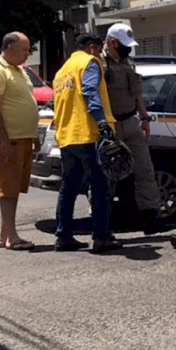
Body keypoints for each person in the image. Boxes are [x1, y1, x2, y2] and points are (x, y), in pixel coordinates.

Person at [52, 33, 121, 253]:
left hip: (66, 136)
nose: (101, 55)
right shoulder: (90, 62)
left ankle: (63, 235)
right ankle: (101, 237)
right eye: (100, 50)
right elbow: (91, 92)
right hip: (89, 134)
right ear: (92, 47)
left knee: (69, 187)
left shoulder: (62, 71)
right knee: (101, 185)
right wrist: (102, 123)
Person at [102, 23, 165, 233]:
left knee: (145, 170)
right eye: (124, 44)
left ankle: (151, 217)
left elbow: (137, 93)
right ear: (112, 42)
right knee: (107, 175)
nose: (128, 48)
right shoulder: (99, 64)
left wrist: (145, 118)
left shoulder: (129, 62)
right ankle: (103, 223)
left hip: (131, 122)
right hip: (109, 126)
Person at [0, 32, 40, 250]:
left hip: (23, 138)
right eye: (24, 49)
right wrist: (4, 140)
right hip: (7, 140)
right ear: (9, 48)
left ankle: (4, 235)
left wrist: (33, 135)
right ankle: (12, 237)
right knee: (8, 189)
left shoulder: (19, 71)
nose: (28, 54)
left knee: (15, 188)